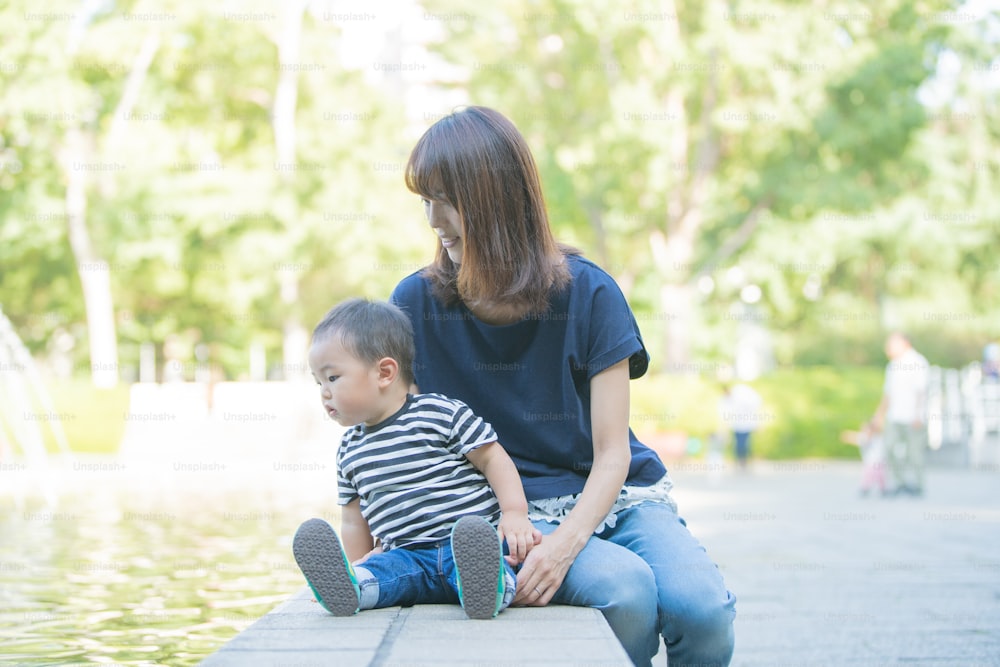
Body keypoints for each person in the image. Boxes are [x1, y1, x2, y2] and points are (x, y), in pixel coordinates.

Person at [390, 106, 735, 667]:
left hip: (620, 497)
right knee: (626, 592)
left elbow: (612, 453)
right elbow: (394, 432)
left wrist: (567, 546)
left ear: (494, 199)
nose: (431, 219)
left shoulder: (590, 294)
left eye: (443, 199)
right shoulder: (415, 305)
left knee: (703, 611)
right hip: (513, 512)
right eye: (423, 200)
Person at [292, 298, 541, 620]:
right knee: (381, 572)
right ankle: (351, 586)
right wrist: (359, 562)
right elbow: (354, 519)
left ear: (384, 372)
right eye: (318, 382)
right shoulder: (349, 449)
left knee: (491, 561)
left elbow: (493, 459)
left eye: (333, 378)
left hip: (464, 546)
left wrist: (515, 513)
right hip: (406, 556)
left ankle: (486, 587)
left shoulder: (439, 412)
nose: (324, 392)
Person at [873, 332, 929, 497]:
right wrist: (878, 416)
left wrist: (918, 414)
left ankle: (918, 485)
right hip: (894, 416)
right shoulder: (892, 365)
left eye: (891, 344)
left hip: (913, 416)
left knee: (914, 453)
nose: (887, 348)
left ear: (904, 343)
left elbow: (921, 391)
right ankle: (900, 482)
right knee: (888, 448)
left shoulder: (918, 362)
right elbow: (888, 394)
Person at [718, 381, 764, 470]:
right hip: (737, 426)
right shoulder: (725, 400)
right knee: (738, 444)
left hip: (747, 424)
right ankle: (740, 461)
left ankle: (745, 460)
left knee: (745, 444)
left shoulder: (741, 392)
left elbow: (755, 405)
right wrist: (724, 430)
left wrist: (758, 423)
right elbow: (724, 416)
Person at [839, 420, 887, 497]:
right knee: (868, 475)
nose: (866, 433)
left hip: (879, 461)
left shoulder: (878, 438)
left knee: (880, 476)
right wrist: (847, 437)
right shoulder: (864, 438)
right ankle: (865, 487)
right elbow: (855, 438)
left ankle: (882, 488)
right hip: (870, 462)